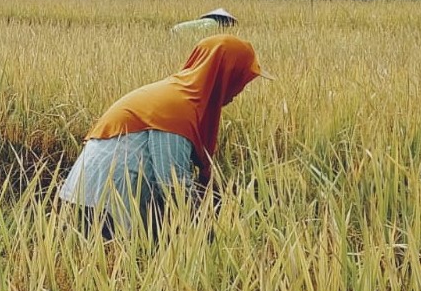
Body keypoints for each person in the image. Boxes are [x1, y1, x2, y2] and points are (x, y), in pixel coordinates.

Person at [58, 35, 266, 237]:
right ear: (225, 76)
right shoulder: (176, 106)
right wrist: (209, 235)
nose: (239, 91)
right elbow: (173, 183)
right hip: (102, 205)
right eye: (240, 80)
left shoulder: (178, 94)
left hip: (91, 196)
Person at [171, 8, 237, 35]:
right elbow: (202, 33)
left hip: (176, 28)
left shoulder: (207, 20)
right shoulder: (213, 23)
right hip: (178, 32)